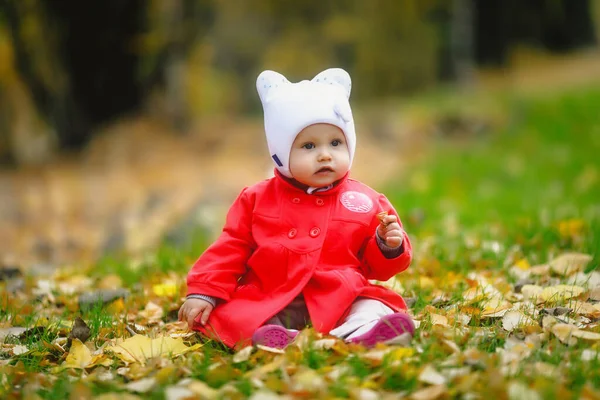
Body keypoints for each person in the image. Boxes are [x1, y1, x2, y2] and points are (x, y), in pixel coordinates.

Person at [178, 68, 414, 349]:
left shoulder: (367, 202)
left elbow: (379, 268)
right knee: (234, 315)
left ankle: (360, 332)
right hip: (273, 295)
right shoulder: (257, 198)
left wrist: (387, 245)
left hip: (340, 295)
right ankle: (277, 338)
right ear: (281, 152)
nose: (325, 154)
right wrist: (205, 290)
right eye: (309, 145)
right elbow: (232, 246)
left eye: (336, 143)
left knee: (374, 303)